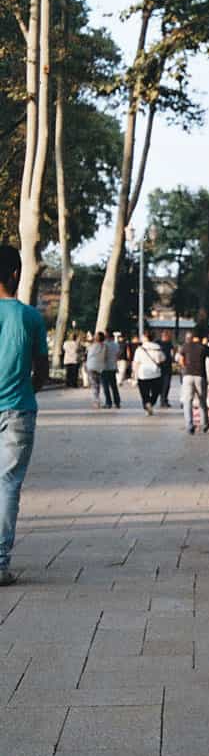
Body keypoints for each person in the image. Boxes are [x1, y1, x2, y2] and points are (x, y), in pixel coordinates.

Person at [0, 245, 48, 587]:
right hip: (18, 407)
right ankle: (0, 562)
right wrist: (27, 386)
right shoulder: (30, 317)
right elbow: (41, 370)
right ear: (16, 273)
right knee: (8, 484)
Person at [178, 332, 209, 434]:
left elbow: (181, 360)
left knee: (187, 401)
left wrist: (185, 368)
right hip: (200, 376)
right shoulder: (204, 347)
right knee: (202, 401)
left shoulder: (185, 346)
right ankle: (205, 425)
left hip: (187, 376)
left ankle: (189, 425)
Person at [132, 331, 167, 415]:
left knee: (144, 393)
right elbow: (163, 359)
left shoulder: (140, 349)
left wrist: (134, 374)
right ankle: (151, 403)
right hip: (155, 373)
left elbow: (136, 363)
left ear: (145, 338)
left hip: (143, 374)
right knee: (155, 392)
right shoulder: (158, 348)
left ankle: (147, 404)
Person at [85, 332, 110, 407]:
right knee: (98, 384)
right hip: (100, 367)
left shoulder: (93, 346)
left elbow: (89, 356)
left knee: (94, 384)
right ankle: (99, 399)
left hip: (91, 366)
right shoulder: (105, 346)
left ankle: (96, 401)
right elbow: (105, 357)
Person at [157, 332, 174, 408]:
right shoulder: (170, 344)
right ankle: (164, 400)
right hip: (167, 367)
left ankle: (163, 399)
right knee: (166, 384)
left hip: (160, 367)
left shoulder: (158, 344)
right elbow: (172, 354)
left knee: (161, 384)